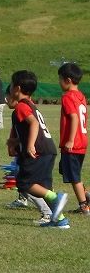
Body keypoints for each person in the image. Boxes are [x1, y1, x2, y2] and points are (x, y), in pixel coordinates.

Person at [6, 70, 69, 229]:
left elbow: (34, 124)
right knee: (43, 186)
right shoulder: (31, 104)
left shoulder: (21, 106)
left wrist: (30, 145)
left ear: (17, 88)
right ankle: (60, 220)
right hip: (48, 149)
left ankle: (56, 197)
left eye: (12, 85)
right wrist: (14, 141)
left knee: (25, 184)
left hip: (38, 151)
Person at [57, 63, 89, 216]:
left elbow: (74, 118)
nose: (59, 82)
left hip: (73, 143)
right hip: (82, 141)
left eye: (60, 79)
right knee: (68, 171)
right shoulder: (81, 96)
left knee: (74, 177)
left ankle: (84, 206)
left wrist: (69, 140)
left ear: (68, 80)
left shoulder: (68, 97)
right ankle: (86, 196)